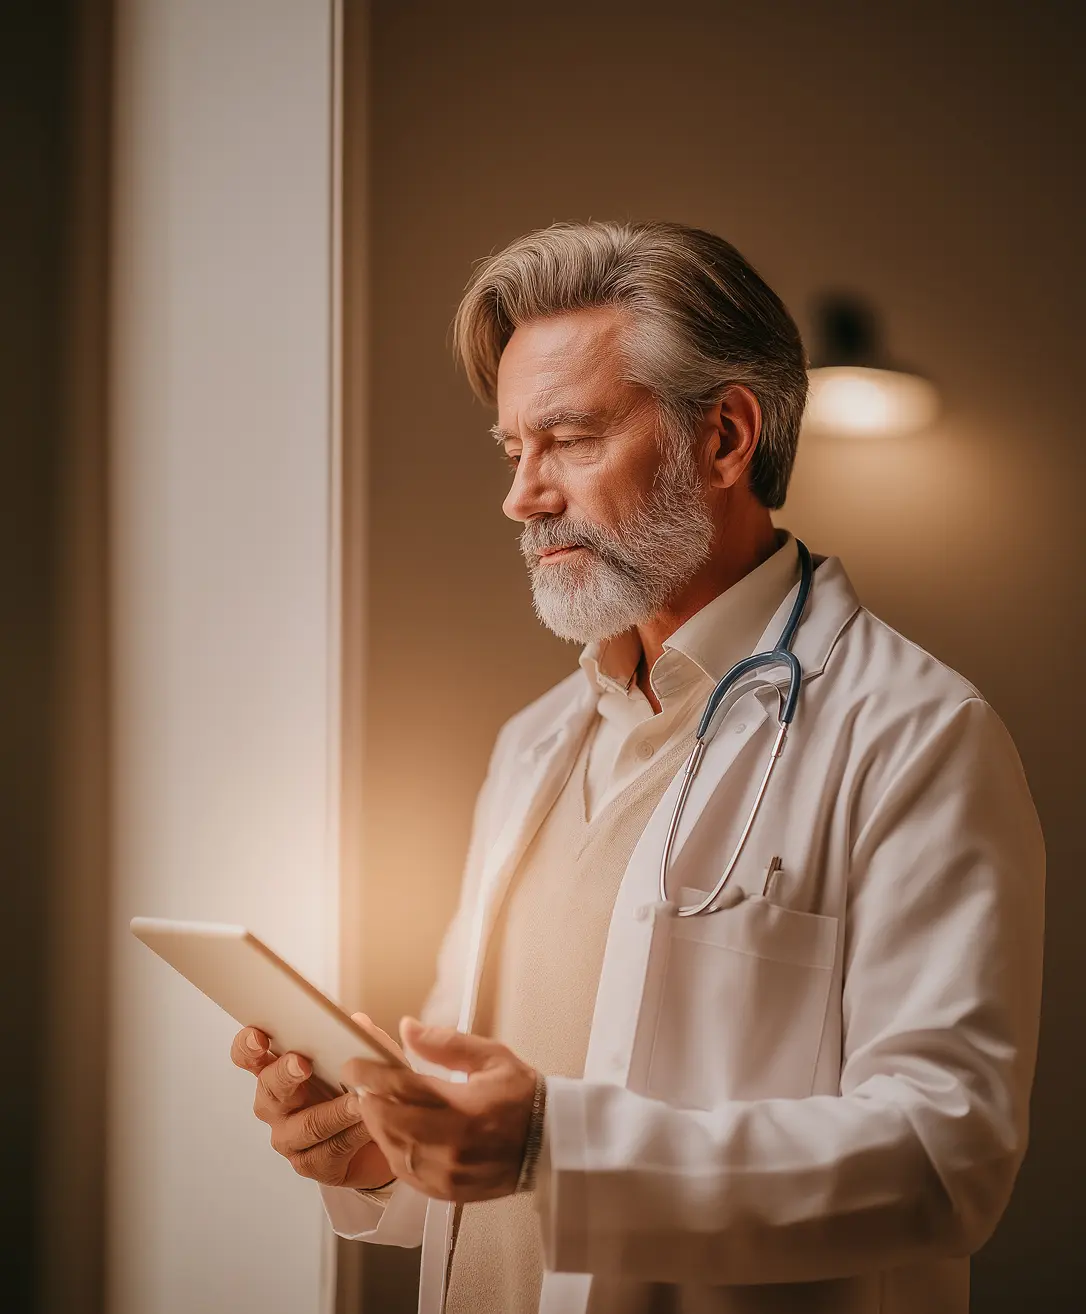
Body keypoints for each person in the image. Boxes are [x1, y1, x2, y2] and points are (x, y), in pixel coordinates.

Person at [230, 221, 1044, 1314]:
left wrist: (552, 1147)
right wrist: (387, 1147)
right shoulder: (531, 746)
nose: (523, 496)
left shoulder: (918, 735)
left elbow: (944, 1164)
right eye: (512, 449)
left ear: (725, 440)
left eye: (566, 439)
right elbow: (499, 1146)